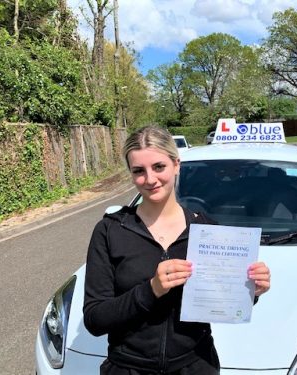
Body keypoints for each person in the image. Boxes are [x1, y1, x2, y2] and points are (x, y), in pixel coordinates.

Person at [83, 125, 271, 375]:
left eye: (159, 167)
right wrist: (151, 290)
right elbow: (95, 319)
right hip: (129, 368)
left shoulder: (207, 231)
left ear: (176, 165)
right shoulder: (110, 231)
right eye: (139, 171)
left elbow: (222, 299)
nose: (150, 179)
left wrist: (250, 289)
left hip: (195, 365)